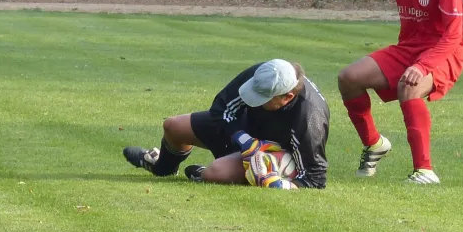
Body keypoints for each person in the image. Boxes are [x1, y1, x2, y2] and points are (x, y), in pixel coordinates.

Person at [338, 0, 463, 184]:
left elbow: (453, 34)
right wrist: (413, 58)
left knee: (409, 85)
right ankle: (374, 144)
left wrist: (423, 66)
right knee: (348, 78)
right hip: (409, 47)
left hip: (445, 51)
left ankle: (425, 171)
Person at [123, 59, 330, 189]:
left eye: (263, 98)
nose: (253, 100)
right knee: (172, 126)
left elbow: (315, 178)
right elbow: (220, 110)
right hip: (244, 132)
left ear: (287, 97)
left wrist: (279, 183)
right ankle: (162, 168)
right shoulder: (265, 74)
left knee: (216, 172)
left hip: (270, 153)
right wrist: (244, 140)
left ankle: (202, 174)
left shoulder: (309, 118)